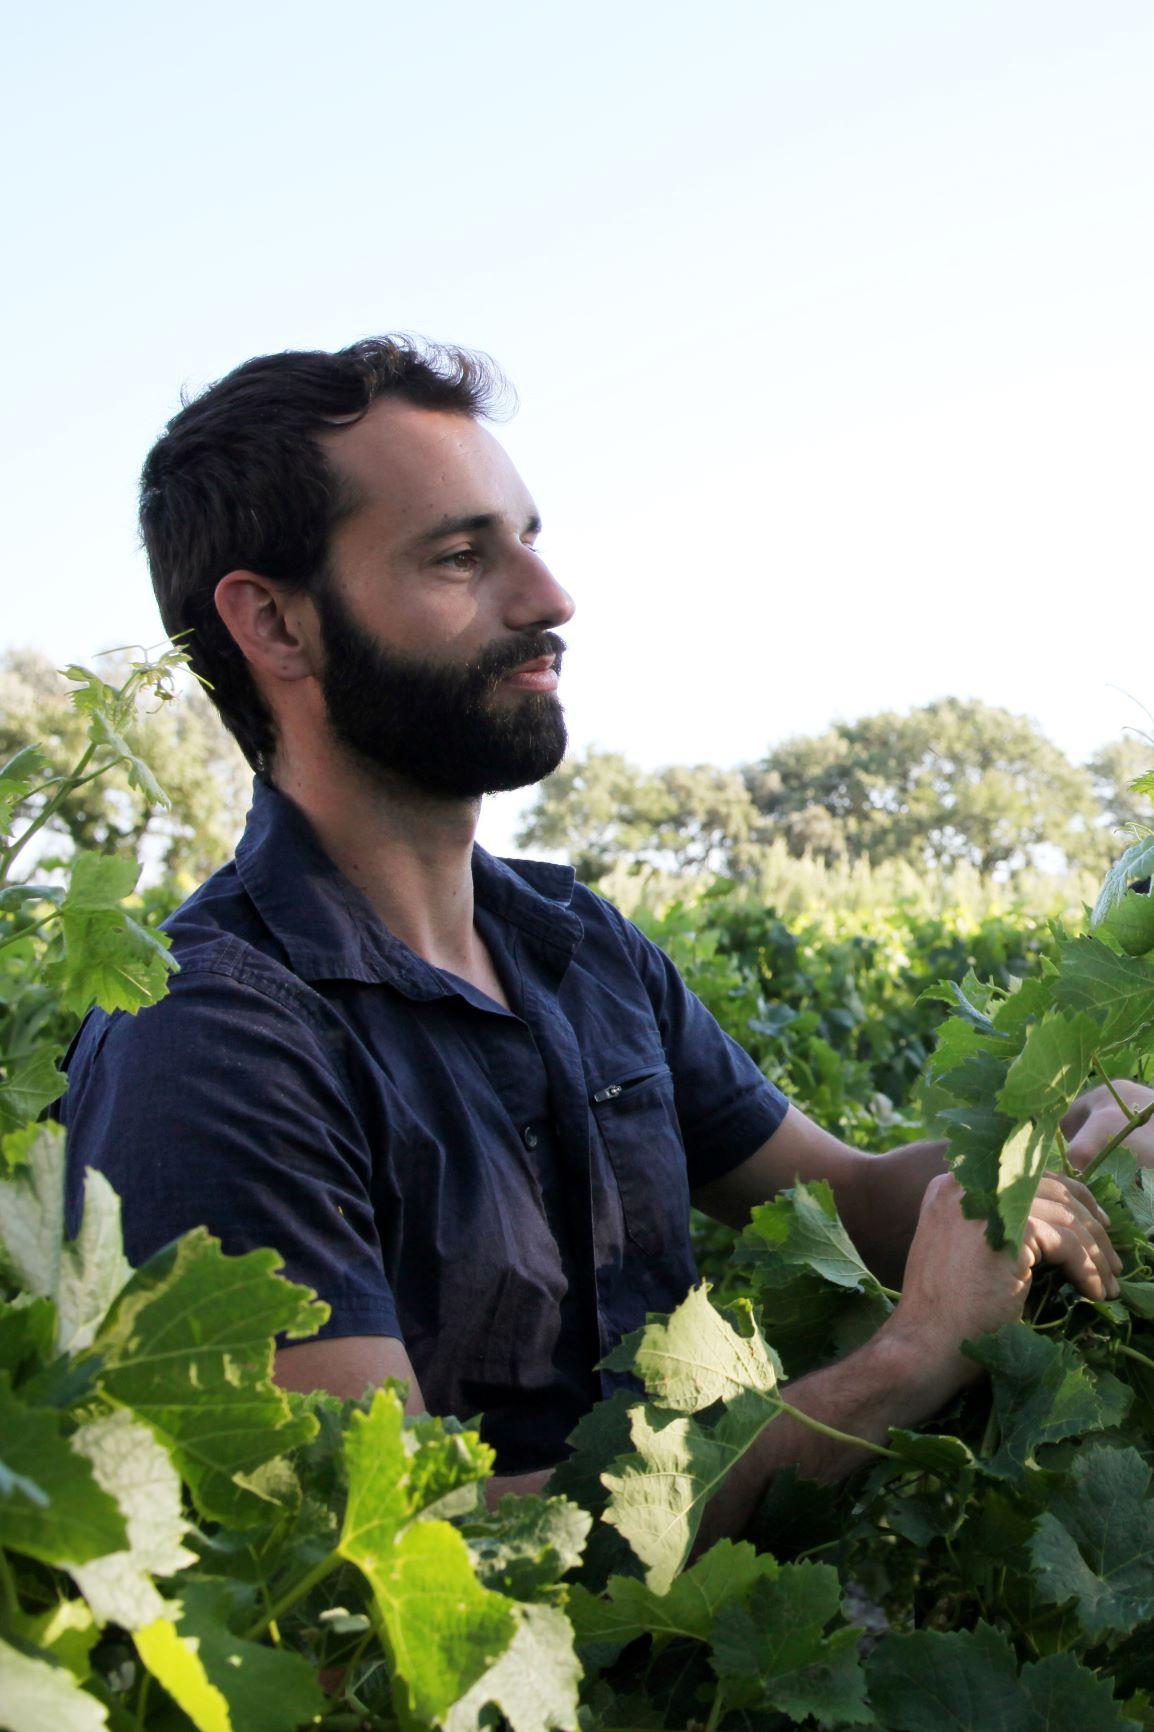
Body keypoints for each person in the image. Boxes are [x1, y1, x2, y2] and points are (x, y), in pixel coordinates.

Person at [60, 336, 1145, 1526]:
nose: (548, 597)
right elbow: (380, 1569)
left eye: (524, 538)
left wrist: (1074, 1137)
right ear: (273, 623)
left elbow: (845, 1196)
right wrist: (907, 1359)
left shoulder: (574, 944)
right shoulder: (211, 1037)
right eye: (461, 555)